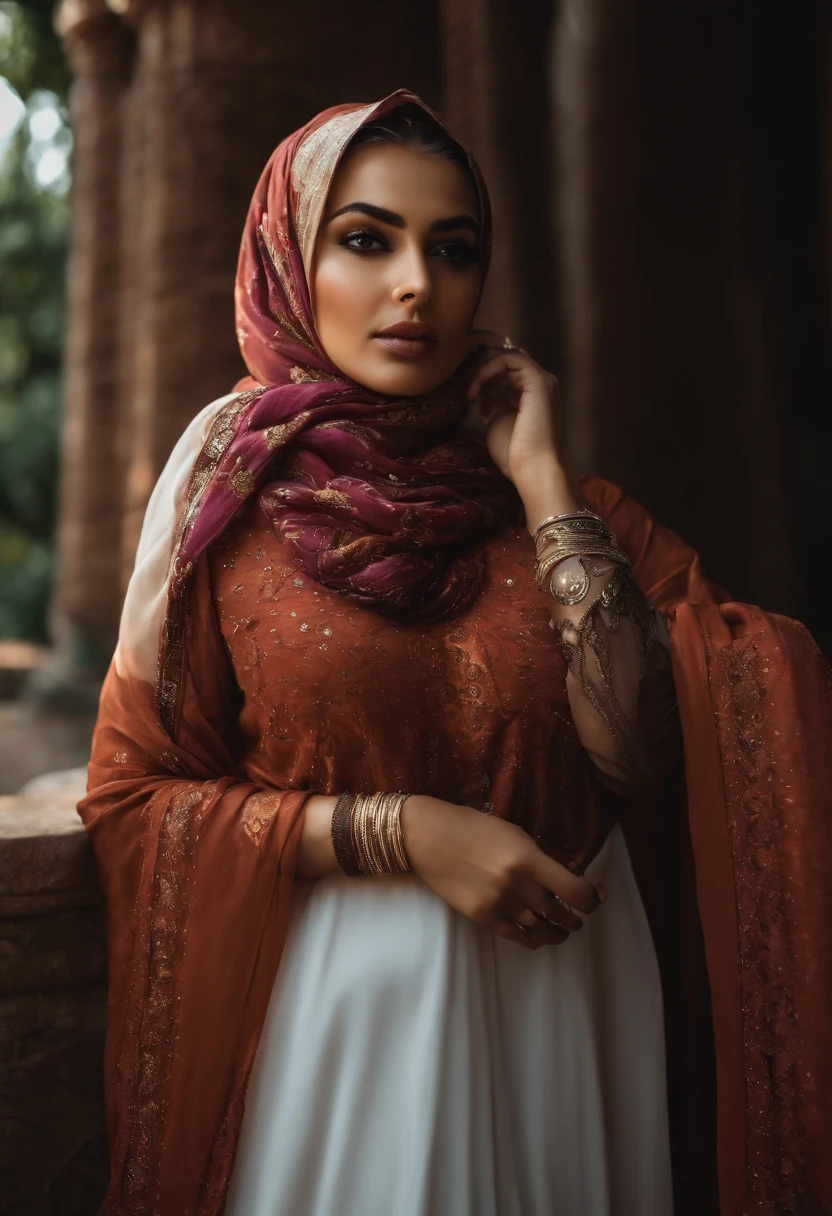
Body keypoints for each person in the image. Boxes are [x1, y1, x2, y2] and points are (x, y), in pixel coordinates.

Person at [79, 90, 832, 1216]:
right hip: (337, 1026)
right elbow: (135, 796)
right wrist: (404, 831)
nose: (417, 284)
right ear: (290, 258)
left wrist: (538, 483)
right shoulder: (221, 514)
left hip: (567, 1014)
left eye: (454, 248)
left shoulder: (579, 513)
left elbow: (645, 757)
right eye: (367, 239)